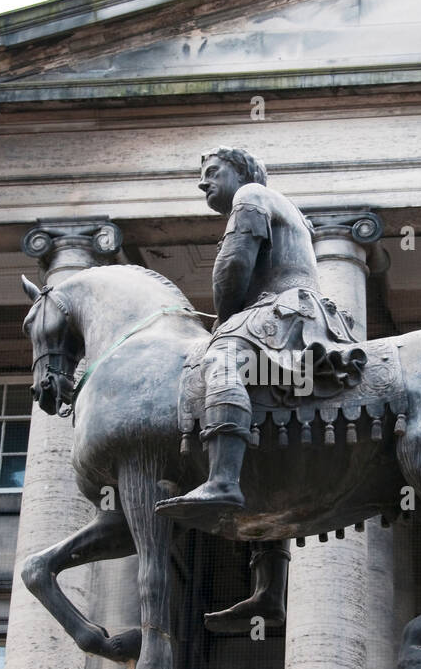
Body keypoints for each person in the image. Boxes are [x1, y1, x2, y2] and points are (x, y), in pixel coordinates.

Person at [154, 147, 362, 526]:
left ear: (241, 172)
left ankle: (222, 481)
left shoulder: (251, 196)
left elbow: (234, 265)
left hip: (286, 310)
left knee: (223, 358)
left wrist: (225, 321)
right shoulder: (286, 207)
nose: (204, 181)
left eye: (214, 171)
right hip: (294, 310)